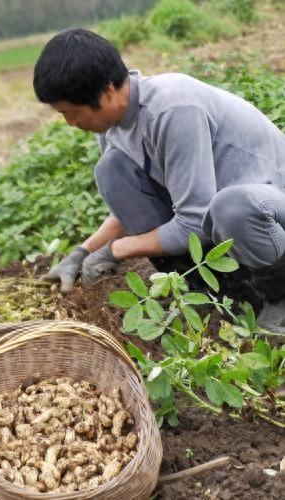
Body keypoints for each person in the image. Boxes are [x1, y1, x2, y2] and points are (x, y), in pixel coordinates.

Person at [33, 28, 285, 331]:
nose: (70, 123)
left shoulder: (173, 109)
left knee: (231, 206)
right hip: (225, 225)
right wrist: (82, 252)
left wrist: (117, 251)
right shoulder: (114, 127)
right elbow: (136, 208)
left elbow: (194, 221)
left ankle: (278, 296)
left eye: (72, 112)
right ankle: (218, 291)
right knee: (111, 170)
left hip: (270, 214)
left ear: (108, 90)